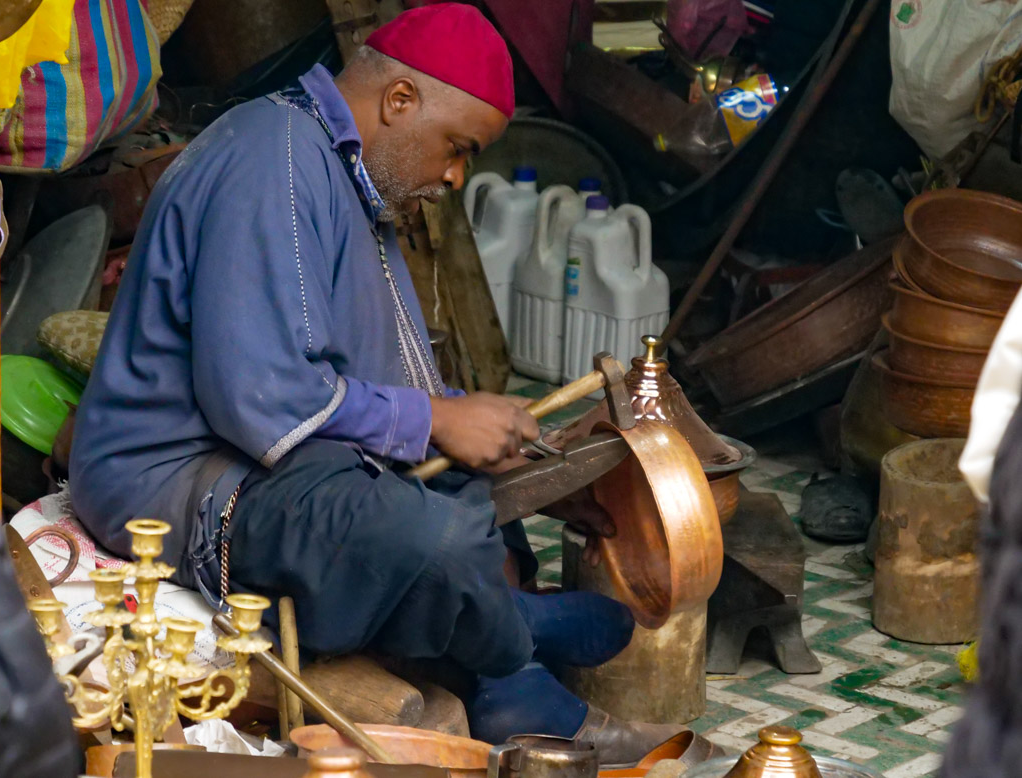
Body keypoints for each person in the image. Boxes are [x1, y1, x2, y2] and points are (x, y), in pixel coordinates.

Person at [69, 4, 715, 764]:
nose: (452, 175)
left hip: (269, 456)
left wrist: (480, 443)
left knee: (456, 496)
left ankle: (501, 639)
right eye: (456, 148)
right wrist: (437, 422)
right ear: (399, 101)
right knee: (423, 534)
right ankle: (513, 653)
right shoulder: (269, 160)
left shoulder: (338, 167)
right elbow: (262, 401)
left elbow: (371, 385)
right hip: (177, 479)